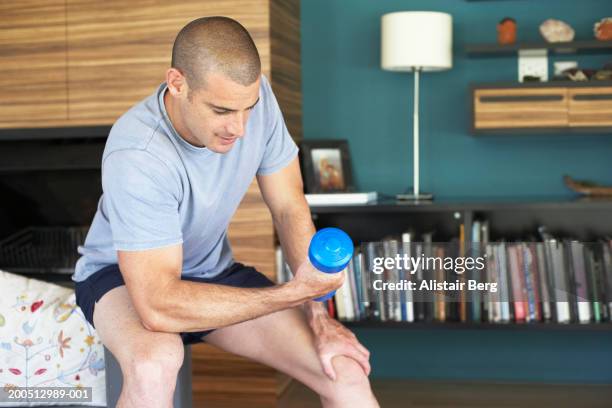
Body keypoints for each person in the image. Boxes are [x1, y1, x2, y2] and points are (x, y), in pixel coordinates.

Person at [72, 16, 379, 408]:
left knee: (342, 367)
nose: (239, 127)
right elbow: (158, 306)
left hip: (209, 270)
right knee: (155, 363)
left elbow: (288, 206)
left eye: (247, 108)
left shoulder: (254, 97)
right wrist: (290, 294)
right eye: (221, 110)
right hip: (123, 279)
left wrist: (319, 317)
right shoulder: (138, 153)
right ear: (177, 83)